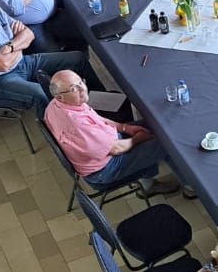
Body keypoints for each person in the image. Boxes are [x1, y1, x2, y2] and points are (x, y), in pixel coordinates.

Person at [42, 69, 180, 197]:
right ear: (60, 97)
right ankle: (186, 187)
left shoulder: (58, 104)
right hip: (105, 168)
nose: (82, 89)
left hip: (107, 144)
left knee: (155, 124)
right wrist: (137, 139)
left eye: (80, 82)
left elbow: (97, 119)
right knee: (169, 143)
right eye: (74, 88)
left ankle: (149, 180)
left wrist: (125, 128)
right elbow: (115, 149)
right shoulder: (77, 124)